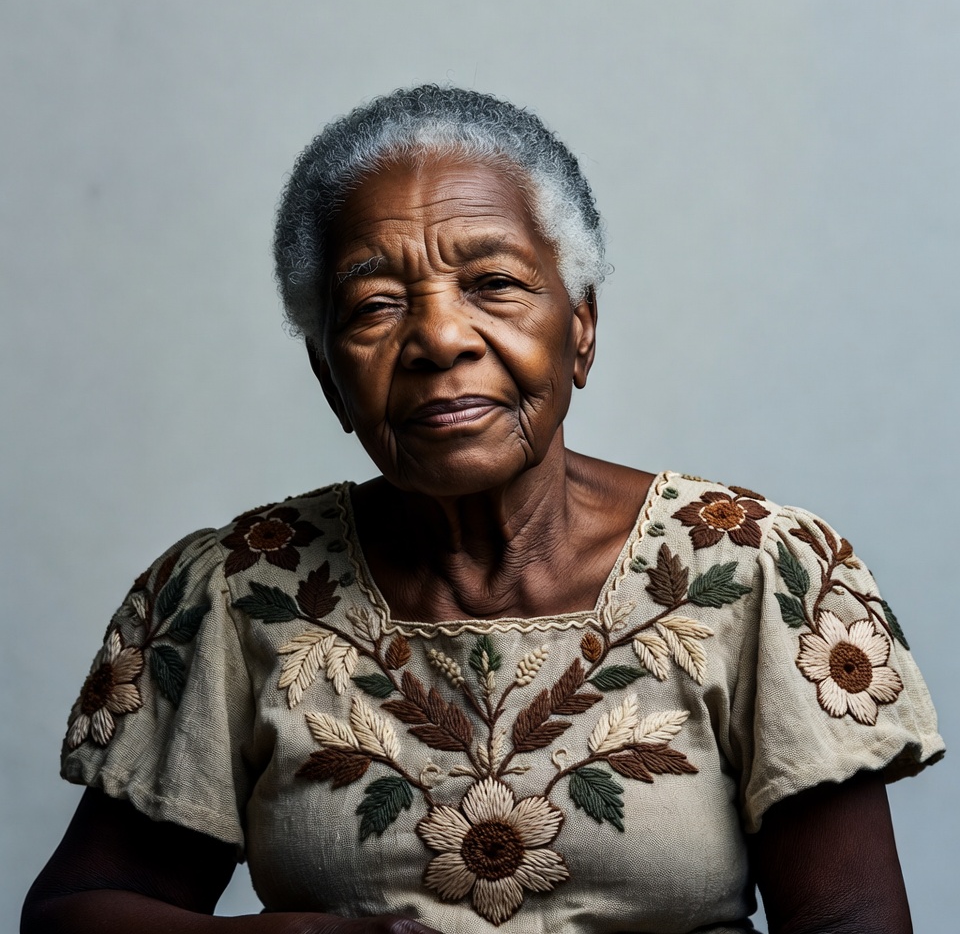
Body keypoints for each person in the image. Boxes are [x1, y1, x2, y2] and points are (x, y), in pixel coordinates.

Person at [23, 86, 943, 934]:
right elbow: (73, 914)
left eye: (493, 284)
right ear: (328, 376)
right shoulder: (235, 594)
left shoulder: (755, 572)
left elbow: (852, 924)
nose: (439, 337)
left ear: (580, 327)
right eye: (374, 305)